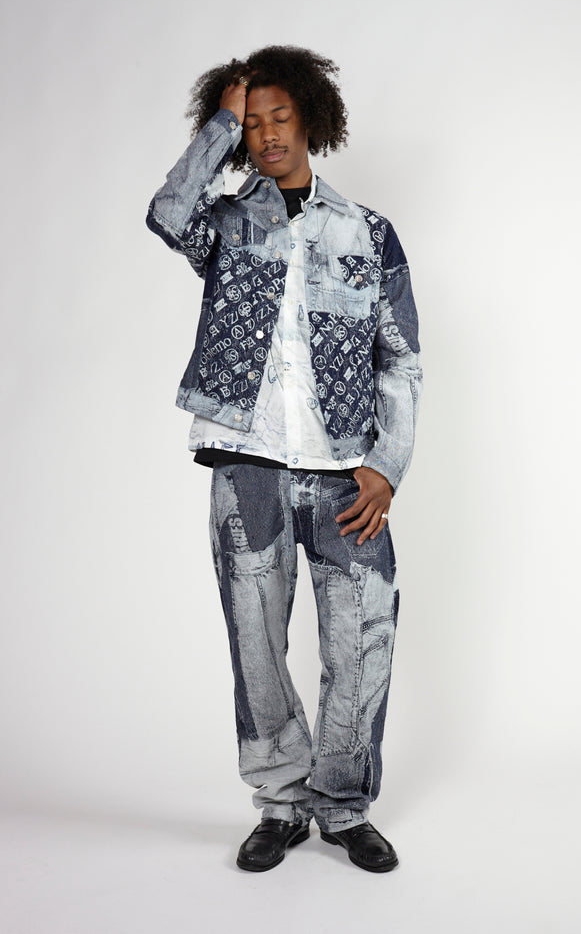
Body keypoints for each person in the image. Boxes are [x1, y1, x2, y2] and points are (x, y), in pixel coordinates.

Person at [147, 45, 422, 873]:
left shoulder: (367, 232)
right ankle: (279, 802)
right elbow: (166, 211)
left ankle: (343, 805)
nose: (266, 133)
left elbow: (399, 359)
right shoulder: (225, 223)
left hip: (345, 472)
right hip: (248, 464)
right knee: (256, 644)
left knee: (362, 639)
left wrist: (385, 465)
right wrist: (219, 121)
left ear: (309, 120)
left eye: (278, 116)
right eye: (251, 122)